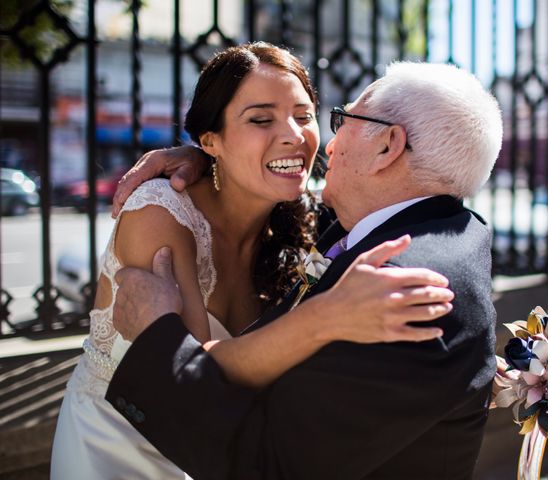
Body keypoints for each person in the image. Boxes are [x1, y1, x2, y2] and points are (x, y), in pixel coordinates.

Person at [49, 43, 454, 480]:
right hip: (117, 446)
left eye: (303, 116)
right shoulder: (159, 212)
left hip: (222, 449)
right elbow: (190, 380)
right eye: (261, 119)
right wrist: (327, 318)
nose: (294, 136)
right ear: (209, 139)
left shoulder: (311, 215)